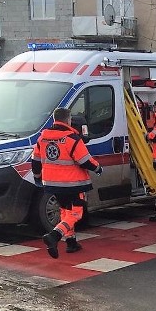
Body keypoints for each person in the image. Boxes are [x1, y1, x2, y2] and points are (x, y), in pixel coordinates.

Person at [31, 108, 103, 258]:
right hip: (73, 183)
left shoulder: (42, 138)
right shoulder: (72, 138)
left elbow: (35, 161)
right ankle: (54, 236)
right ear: (69, 120)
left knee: (65, 211)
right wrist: (97, 168)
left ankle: (71, 242)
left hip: (52, 183)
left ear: (54, 119)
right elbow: (85, 161)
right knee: (76, 214)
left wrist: (37, 177)